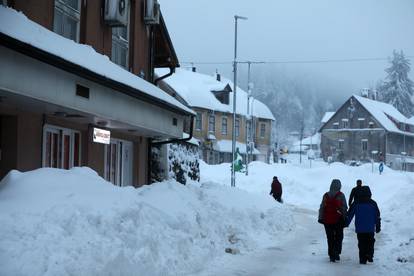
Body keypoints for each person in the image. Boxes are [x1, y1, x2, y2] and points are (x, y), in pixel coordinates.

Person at [346, 186, 381, 264]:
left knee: (361, 243)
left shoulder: (356, 203)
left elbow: (350, 214)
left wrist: (346, 223)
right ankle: (370, 254)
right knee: (370, 242)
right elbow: (377, 216)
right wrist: (378, 226)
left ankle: (362, 259)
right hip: (370, 228)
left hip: (360, 228)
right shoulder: (373, 203)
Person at [318, 179, 348, 262]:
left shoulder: (326, 195)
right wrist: (345, 218)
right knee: (339, 237)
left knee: (330, 237)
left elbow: (322, 207)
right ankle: (336, 252)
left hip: (327, 220)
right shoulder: (341, 195)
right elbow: (344, 207)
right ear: (339, 186)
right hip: (338, 220)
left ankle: (331, 254)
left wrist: (320, 218)